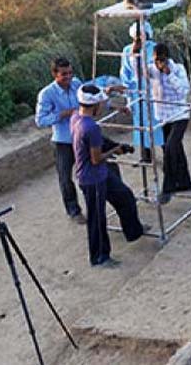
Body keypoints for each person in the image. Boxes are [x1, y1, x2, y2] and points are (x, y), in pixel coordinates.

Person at [72, 84, 150, 267]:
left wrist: (114, 146)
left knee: (124, 196)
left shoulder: (77, 117)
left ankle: (134, 231)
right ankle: (99, 257)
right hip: (92, 178)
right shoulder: (90, 127)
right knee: (97, 218)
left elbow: (98, 146)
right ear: (95, 105)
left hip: (99, 174)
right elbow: (96, 158)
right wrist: (116, 150)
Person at [34, 58, 86, 224]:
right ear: (54, 74)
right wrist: (62, 114)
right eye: (64, 74)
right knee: (65, 177)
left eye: (70, 73)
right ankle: (73, 210)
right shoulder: (47, 94)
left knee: (87, 172)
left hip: (81, 136)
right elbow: (40, 120)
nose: (68, 77)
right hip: (63, 141)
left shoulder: (77, 84)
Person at [149, 43, 191, 204]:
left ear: (167, 58)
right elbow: (136, 71)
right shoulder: (151, 69)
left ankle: (168, 187)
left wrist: (169, 74)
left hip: (179, 114)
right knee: (175, 149)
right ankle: (184, 182)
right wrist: (135, 49)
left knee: (170, 147)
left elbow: (184, 90)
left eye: (161, 59)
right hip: (163, 116)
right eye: (156, 60)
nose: (158, 63)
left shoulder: (178, 69)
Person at [120, 21, 164, 158]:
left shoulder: (155, 48)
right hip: (136, 92)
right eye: (136, 37)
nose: (138, 40)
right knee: (140, 124)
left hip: (153, 91)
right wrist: (128, 93)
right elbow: (125, 73)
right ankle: (146, 155)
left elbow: (158, 70)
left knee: (158, 123)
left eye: (141, 36)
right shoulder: (127, 50)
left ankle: (167, 154)